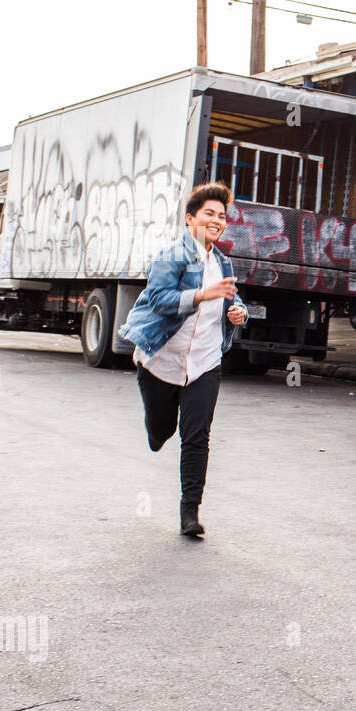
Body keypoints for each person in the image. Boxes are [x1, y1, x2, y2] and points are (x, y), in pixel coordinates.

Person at [118, 182, 248, 537]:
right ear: (190, 219)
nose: (217, 220)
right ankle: (157, 425)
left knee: (197, 436)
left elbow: (234, 301)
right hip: (161, 360)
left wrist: (238, 312)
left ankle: (189, 512)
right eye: (209, 213)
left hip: (205, 363)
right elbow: (158, 298)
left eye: (222, 216)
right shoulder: (171, 256)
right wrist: (202, 294)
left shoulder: (223, 263)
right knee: (161, 432)